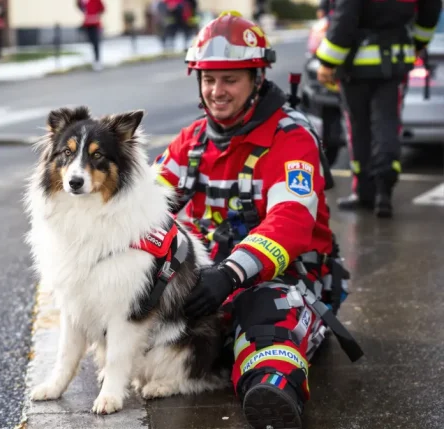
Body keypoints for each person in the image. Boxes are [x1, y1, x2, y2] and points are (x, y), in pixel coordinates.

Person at [152, 11, 363, 429]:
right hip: (210, 279)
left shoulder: (291, 138)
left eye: (229, 79)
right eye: (208, 80)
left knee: (265, 310)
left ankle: (272, 388)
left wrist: (230, 275)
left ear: (257, 78)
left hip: (285, 280)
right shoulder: (191, 142)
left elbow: (291, 221)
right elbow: (145, 211)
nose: (216, 91)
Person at [314, 0, 442, 218]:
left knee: (358, 129)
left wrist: (327, 62)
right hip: (394, 64)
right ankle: (384, 190)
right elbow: (431, 10)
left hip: (355, 66)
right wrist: (418, 42)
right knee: (388, 124)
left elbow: (345, 18)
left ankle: (365, 193)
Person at [77, 0, 105, 71]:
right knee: (91, 42)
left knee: (96, 43)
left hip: (95, 24)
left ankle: (97, 61)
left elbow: (102, 9)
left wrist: (97, 15)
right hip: (87, 24)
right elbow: (79, 5)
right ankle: (94, 59)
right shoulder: (83, 1)